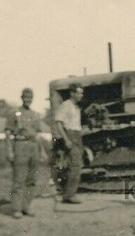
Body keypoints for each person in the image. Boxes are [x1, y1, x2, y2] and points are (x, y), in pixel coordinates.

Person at [6, 87, 43, 218]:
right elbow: (8, 133)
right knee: (19, 179)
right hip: (20, 145)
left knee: (32, 179)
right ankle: (16, 208)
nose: (28, 100)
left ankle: (26, 207)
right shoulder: (14, 113)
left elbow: (37, 135)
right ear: (22, 98)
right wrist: (10, 151)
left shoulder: (35, 115)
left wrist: (41, 151)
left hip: (33, 146)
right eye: (26, 97)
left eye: (30, 97)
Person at [52, 84, 84, 205]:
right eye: (79, 93)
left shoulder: (76, 107)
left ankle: (70, 193)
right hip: (70, 136)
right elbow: (59, 124)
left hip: (77, 136)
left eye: (82, 93)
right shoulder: (66, 105)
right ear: (72, 93)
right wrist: (67, 140)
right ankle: (69, 195)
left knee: (77, 165)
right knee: (75, 165)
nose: (81, 95)